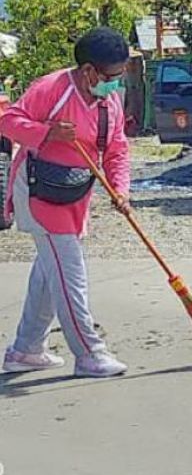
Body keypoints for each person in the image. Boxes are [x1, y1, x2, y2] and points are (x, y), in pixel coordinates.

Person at [1, 28, 133, 378]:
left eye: (121, 76)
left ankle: (25, 350)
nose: (116, 83)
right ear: (89, 71)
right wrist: (48, 134)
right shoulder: (52, 89)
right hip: (38, 191)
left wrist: (121, 190)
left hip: (75, 194)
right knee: (69, 273)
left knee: (50, 271)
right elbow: (8, 121)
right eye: (111, 77)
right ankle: (90, 352)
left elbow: (117, 148)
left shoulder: (110, 102)